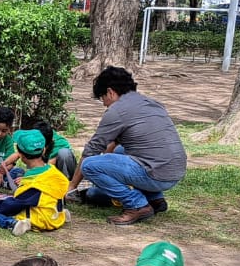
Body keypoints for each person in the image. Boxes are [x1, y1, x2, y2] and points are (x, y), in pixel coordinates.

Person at [68, 66, 186, 226]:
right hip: (176, 170)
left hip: (156, 173)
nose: (104, 105)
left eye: (103, 99)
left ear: (110, 92)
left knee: (89, 165)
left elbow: (92, 150)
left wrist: (72, 186)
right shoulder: (153, 103)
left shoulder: (117, 111)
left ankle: (137, 205)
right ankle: (155, 199)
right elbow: (114, 145)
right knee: (120, 150)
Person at [0, 129, 71, 233]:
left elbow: (13, 205)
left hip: (42, 220)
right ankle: (60, 213)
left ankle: (12, 224)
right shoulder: (54, 172)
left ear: (21, 156)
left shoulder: (32, 183)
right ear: (44, 150)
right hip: (55, 215)